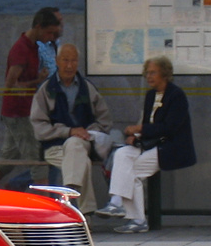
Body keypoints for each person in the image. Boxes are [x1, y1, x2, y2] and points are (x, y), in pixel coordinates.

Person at [95, 54, 196, 232]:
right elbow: (150, 126)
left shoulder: (176, 95)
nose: (149, 76)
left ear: (165, 74)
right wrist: (137, 136)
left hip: (170, 147)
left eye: (153, 73)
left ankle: (128, 211)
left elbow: (169, 127)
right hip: (150, 143)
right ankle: (126, 211)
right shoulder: (150, 96)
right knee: (122, 154)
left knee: (131, 172)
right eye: (147, 73)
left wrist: (140, 129)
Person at [29, 43, 113, 214]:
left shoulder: (87, 88)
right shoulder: (46, 90)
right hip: (55, 147)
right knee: (83, 162)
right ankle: (86, 211)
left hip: (84, 144)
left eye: (73, 60)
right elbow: (39, 126)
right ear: (57, 61)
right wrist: (68, 131)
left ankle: (70, 190)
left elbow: (104, 120)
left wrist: (88, 132)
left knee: (76, 145)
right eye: (65, 60)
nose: (69, 65)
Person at [0, 7, 63, 186]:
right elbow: (10, 86)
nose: (50, 38)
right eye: (49, 33)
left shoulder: (31, 47)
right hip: (19, 112)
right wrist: (32, 84)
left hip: (20, 111)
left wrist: (37, 79)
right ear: (38, 27)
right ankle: (46, 206)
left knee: (7, 159)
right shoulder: (21, 49)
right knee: (37, 160)